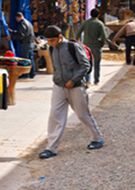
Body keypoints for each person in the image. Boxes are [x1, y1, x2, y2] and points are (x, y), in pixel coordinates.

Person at [38, 25, 104, 159]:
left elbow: (85, 65)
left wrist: (73, 81)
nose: (50, 43)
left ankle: (96, 138)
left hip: (76, 87)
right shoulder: (52, 48)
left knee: (82, 114)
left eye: (52, 40)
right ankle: (51, 148)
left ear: (60, 37)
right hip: (59, 86)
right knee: (55, 116)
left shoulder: (73, 47)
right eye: (48, 41)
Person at [76, 8, 110, 85]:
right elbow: (104, 37)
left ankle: (87, 81)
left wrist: (75, 42)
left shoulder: (85, 23)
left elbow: (78, 33)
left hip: (86, 46)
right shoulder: (100, 23)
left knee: (87, 63)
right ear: (98, 15)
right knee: (97, 64)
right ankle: (96, 80)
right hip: (97, 46)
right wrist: (101, 44)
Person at [10, 12, 36, 78]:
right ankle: (32, 73)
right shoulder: (28, 23)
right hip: (31, 43)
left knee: (25, 59)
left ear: (17, 17)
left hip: (25, 44)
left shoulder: (22, 24)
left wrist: (12, 37)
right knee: (30, 59)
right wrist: (13, 32)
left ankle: (25, 74)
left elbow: (21, 35)